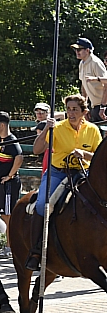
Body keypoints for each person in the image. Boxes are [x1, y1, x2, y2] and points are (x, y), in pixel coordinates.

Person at [26, 94, 102, 269]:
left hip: (84, 173)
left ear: (84, 112)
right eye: (68, 109)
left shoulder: (92, 130)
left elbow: (98, 158)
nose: (71, 113)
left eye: (75, 109)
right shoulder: (57, 128)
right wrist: (46, 129)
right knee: (43, 206)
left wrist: (85, 154)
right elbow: (37, 150)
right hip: (59, 173)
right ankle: (36, 250)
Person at [0, 111, 23, 243]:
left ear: (2, 125)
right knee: (4, 214)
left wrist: (10, 175)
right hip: (2, 184)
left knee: (9, 215)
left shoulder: (11, 141)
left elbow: (19, 157)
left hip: (9, 185)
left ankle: (10, 245)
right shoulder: (3, 141)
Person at [72, 37, 107, 119]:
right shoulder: (81, 63)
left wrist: (103, 106)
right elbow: (84, 85)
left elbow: (106, 84)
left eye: (79, 49)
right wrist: (84, 106)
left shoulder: (96, 62)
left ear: (87, 50)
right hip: (95, 106)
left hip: (103, 106)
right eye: (75, 50)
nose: (77, 52)